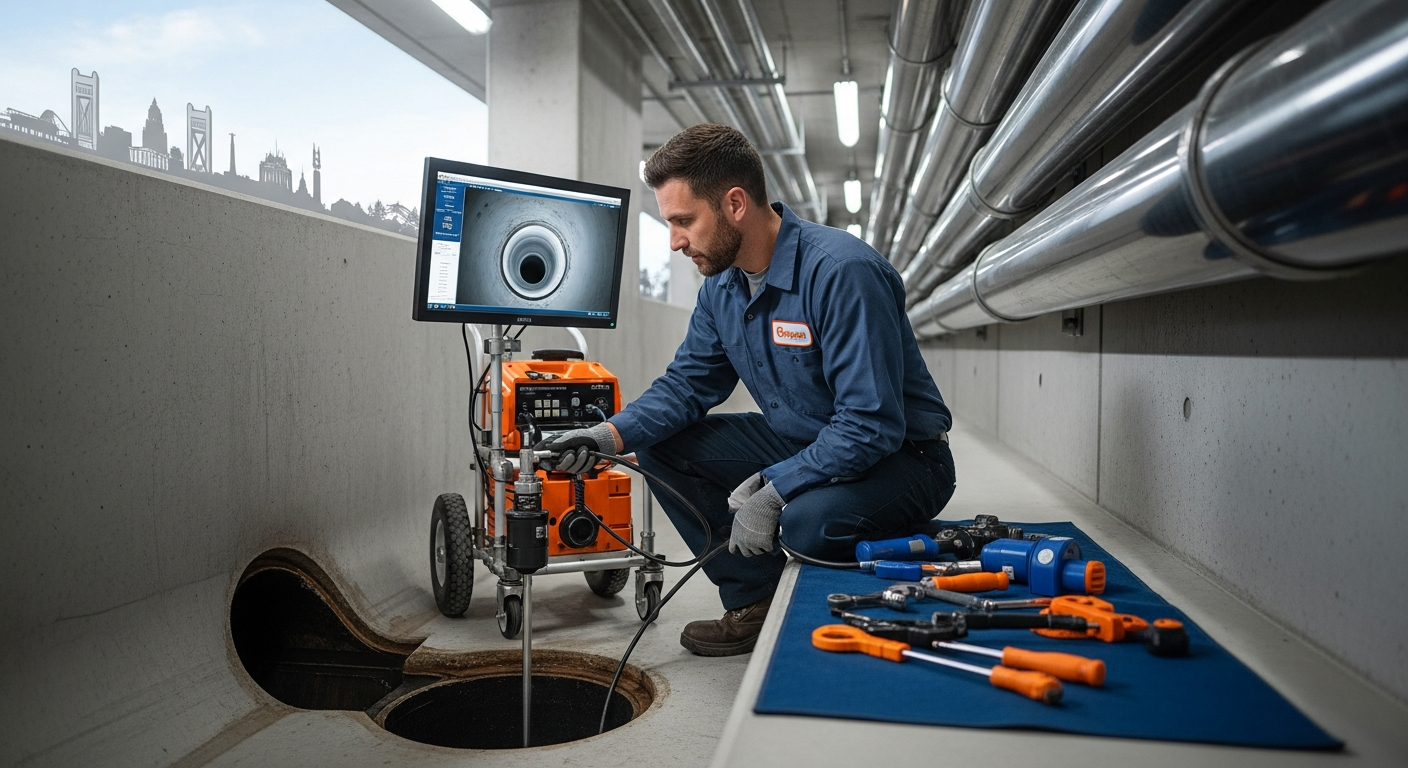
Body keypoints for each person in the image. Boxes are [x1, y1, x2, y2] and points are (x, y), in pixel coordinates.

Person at [542, 123, 955, 656]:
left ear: (735, 204)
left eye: (684, 221)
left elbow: (871, 423)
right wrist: (607, 436)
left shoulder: (842, 272)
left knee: (804, 525)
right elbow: (687, 386)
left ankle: (916, 535)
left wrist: (777, 490)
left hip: (904, 458)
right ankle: (754, 599)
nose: (675, 241)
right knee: (661, 448)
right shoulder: (722, 287)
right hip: (807, 440)